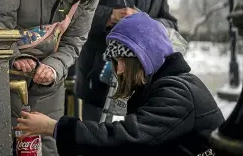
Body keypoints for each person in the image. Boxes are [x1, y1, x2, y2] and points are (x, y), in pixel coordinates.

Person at [0, 0, 118, 155]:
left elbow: (74, 42)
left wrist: (54, 67)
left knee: (48, 143)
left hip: (49, 83)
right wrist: (15, 56)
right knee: (6, 141)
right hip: (7, 73)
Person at [15, 12, 224, 156]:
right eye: (115, 62)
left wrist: (55, 127)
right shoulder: (162, 86)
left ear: (147, 56)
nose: (120, 69)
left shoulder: (177, 92)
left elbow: (128, 139)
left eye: (125, 60)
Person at [76, 0, 179, 121]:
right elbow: (77, 13)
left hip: (141, 78)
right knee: (93, 133)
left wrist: (146, 22)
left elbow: (171, 24)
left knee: (135, 134)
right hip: (98, 72)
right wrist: (109, 15)